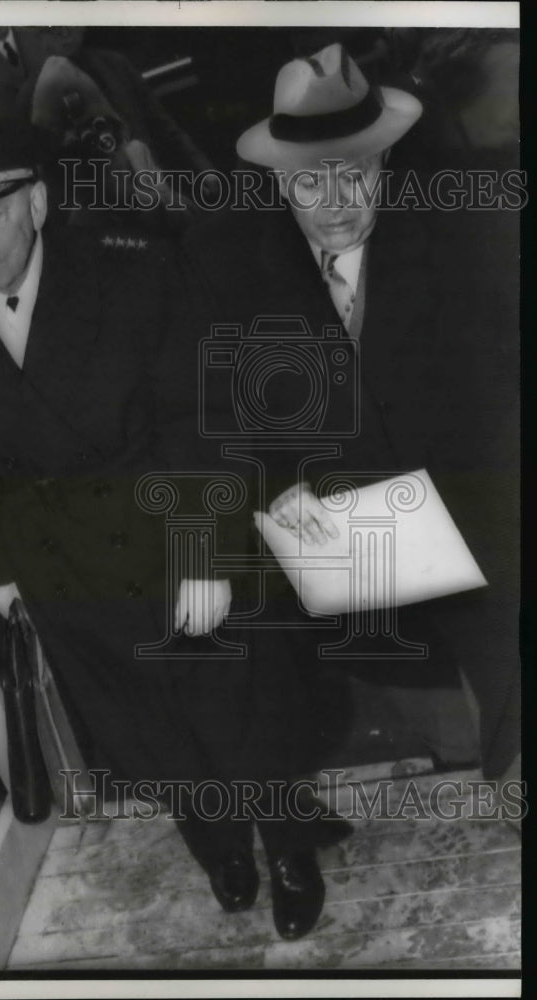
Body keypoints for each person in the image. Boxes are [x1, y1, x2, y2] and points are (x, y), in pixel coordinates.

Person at [0, 108, 350, 942]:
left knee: (236, 702)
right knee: (142, 720)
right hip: (58, 561)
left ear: (36, 203)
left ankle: (287, 844)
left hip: (168, 531)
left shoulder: (131, 269)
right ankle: (219, 849)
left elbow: (198, 415)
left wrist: (206, 554)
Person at [181, 42, 511, 771]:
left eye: (354, 175)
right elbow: (212, 411)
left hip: (486, 534)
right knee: (442, 737)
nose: (335, 203)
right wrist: (274, 484)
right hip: (357, 566)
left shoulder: (471, 238)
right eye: (308, 182)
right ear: (277, 179)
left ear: (384, 163)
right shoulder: (225, 269)